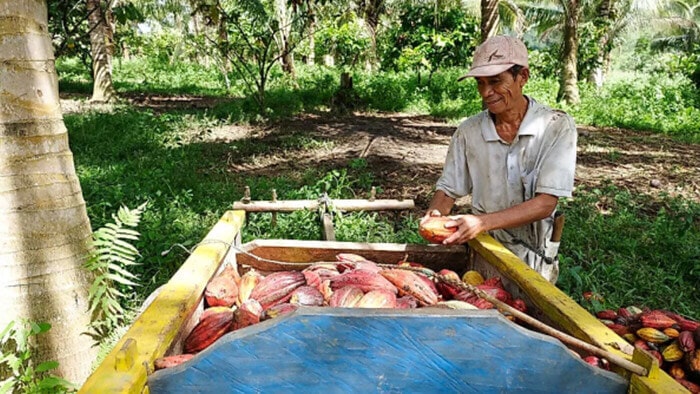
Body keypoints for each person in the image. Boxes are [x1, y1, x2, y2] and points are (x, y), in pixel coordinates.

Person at [422, 35, 577, 283]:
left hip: (534, 256)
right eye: (480, 83)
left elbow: (546, 203)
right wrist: (435, 216)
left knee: (526, 315)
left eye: (495, 81)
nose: (486, 92)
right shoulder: (468, 132)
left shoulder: (555, 126)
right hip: (485, 250)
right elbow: (449, 188)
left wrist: (481, 222)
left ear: (523, 77)